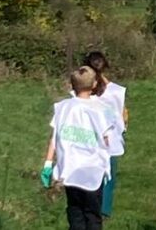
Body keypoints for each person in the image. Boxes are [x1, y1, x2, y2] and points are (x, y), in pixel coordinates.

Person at [42, 66, 114, 230]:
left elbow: (55, 137)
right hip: (92, 171)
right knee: (93, 215)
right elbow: (107, 141)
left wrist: (48, 163)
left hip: (70, 169)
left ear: (71, 84)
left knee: (75, 211)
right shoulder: (102, 110)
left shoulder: (63, 108)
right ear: (94, 84)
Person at [83, 51, 126, 218]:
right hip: (112, 140)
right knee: (108, 177)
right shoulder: (117, 91)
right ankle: (104, 210)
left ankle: (89, 205)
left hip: (89, 139)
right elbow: (122, 115)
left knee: (90, 173)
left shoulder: (83, 92)